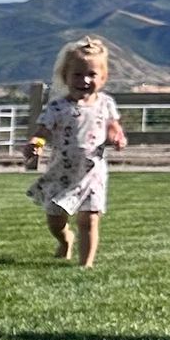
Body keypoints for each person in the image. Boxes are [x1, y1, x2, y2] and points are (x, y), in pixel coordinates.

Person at [26, 38, 127, 268]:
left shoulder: (106, 104)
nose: (85, 80)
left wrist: (117, 137)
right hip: (62, 172)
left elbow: (114, 127)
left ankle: (86, 265)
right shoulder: (58, 107)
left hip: (92, 173)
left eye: (92, 75)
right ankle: (65, 240)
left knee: (89, 219)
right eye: (78, 75)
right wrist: (36, 143)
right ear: (66, 77)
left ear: (103, 78)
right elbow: (42, 130)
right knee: (55, 219)